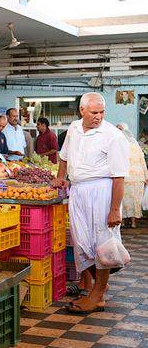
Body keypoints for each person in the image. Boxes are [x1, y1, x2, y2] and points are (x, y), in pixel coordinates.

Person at [53, 92, 129, 314]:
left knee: (102, 243)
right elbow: (64, 156)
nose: (98, 116)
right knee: (82, 242)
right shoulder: (74, 129)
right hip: (78, 191)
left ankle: (97, 295)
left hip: (102, 191)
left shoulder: (113, 136)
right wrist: (61, 177)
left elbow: (119, 176)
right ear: (82, 111)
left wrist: (115, 209)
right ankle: (98, 288)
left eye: (102, 112)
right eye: (94, 112)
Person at [117, 123, 148, 229]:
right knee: (135, 200)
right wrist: (146, 177)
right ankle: (133, 222)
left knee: (123, 200)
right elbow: (142, 162)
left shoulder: (119, 146)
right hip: (138, 178)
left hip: (124, 177)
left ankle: (123, 222)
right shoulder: (136, 147)